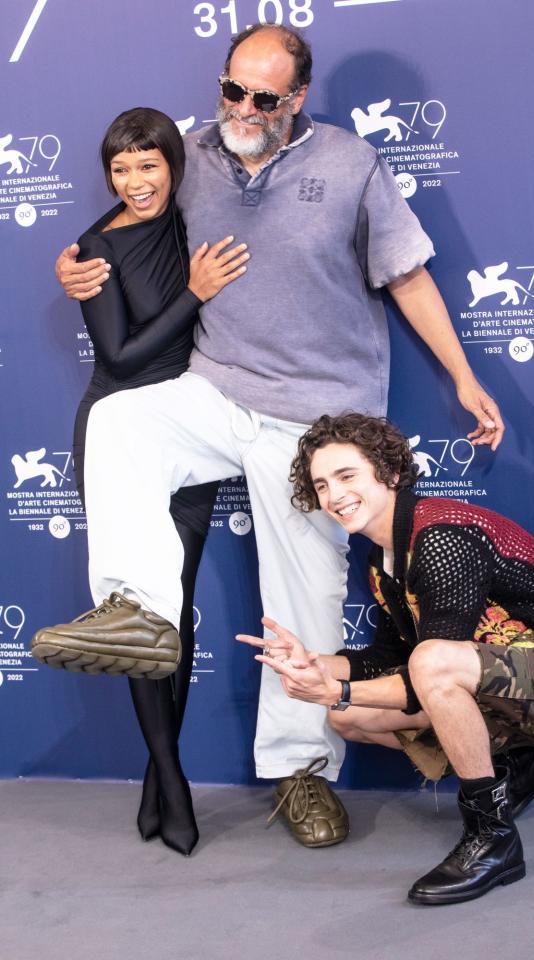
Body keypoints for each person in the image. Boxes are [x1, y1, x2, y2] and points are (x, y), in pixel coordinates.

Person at [46, 24, 504, 847]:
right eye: (232, 90)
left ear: (296, 97)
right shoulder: (191, 153)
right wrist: (74, 263)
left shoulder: (349, 162)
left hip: (317, 416)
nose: (243, 109)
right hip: (217, 391)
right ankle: (140, 612)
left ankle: (302, 774)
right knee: (119, 419)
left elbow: (406, 274)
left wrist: (465, 377)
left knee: (305, 588)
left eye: (264, 97)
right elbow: (132, 205)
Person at [237, 412, 534, 902]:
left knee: (424, 666)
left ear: (390, 473)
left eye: (347, 476)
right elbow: (385, 657)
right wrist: (316, 663)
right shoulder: (384, 558)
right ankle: (523, 765)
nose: (333, 496)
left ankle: (493, 837)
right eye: (321, 484)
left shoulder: (440, 536)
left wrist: (336, 690)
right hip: (518, 690)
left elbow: (431, 670)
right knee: (349, 719)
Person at [70, 107, 249, 856]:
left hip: (190, 433)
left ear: (174, 165)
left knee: (173, 613)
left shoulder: (194, 219)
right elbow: (120, 355)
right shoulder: (94, 249)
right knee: (144, 612)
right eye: (121, 168)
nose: (136, 182)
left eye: (149, 165)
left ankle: (157, 777)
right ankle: (171, 780)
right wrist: (195, 293)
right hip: (121, 435)